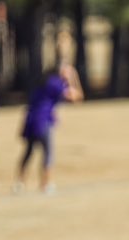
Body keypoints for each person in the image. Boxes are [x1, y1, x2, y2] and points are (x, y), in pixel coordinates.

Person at [14, 61, 83, 193]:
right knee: (48, 153)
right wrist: (74, 78)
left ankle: (20, 182)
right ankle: (46, 183)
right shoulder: (55, 83)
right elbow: (77, 97)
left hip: (31, 120)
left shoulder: (44, 81)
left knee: (28, 152)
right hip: (43, 121)